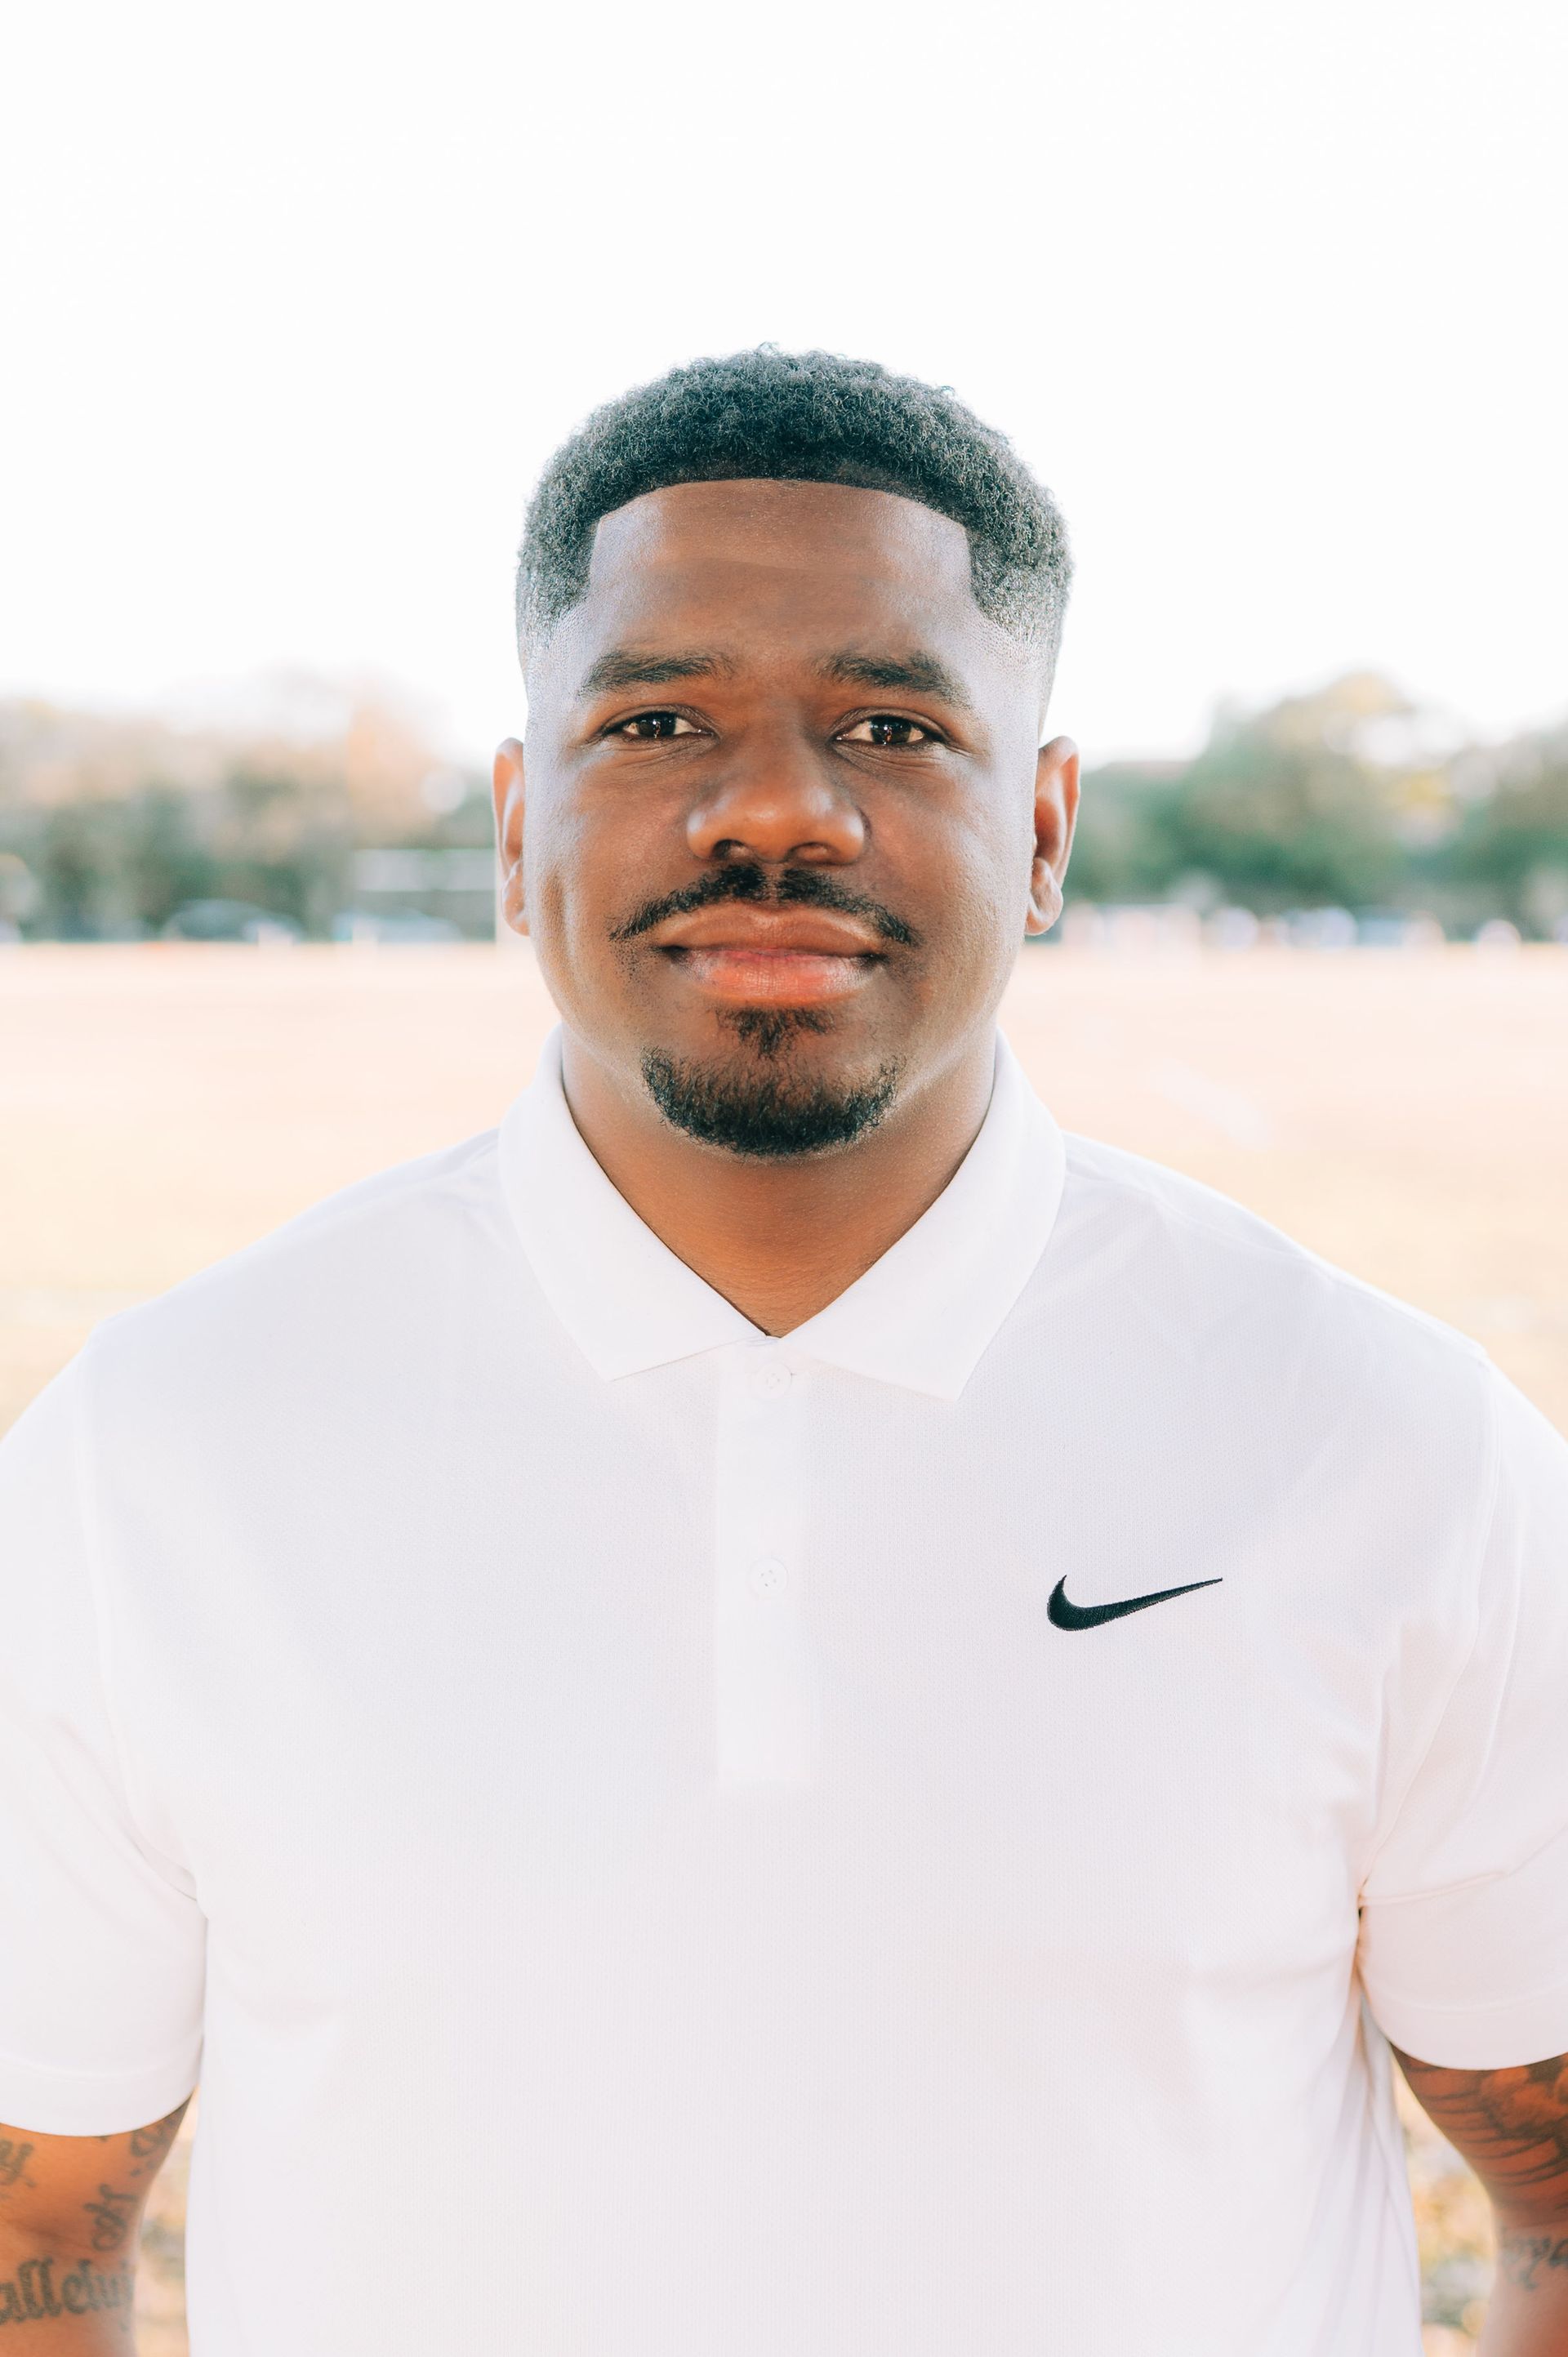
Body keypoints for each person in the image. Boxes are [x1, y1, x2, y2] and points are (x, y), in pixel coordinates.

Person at [1, 348, 1566, 2357]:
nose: (771, 809)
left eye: (894, 724)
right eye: (657, 719)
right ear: (514, 820)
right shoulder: (164, 1448)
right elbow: (39, 2241)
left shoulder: (1389, 1446)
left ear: (1046, 827)